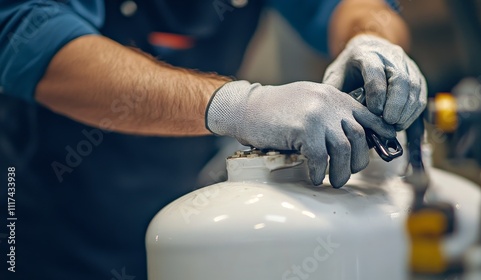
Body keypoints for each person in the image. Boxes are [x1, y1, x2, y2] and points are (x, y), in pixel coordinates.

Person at [0, 0, 426, 279]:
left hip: (168, 201)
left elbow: (349, 5)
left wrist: (373, 41)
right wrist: (239, 105)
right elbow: (31, 38)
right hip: (40, 211)